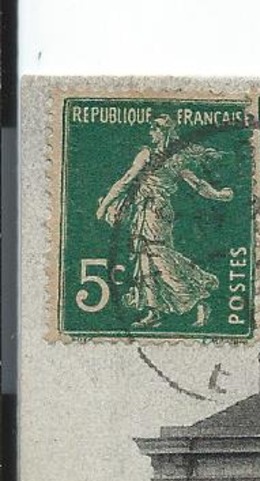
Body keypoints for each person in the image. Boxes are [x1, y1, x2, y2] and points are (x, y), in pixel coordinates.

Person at [96, 114, 235, 329]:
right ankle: (154, 312)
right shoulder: (176, 159)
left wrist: (104, 205)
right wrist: (218, 195)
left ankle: (197, 296)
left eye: (154, 130)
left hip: (153, 211)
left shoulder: (148, 155)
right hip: (152, 211)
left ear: (162, 132)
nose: (151, 133)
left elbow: (126, 181)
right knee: (146, 258)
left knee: (158, 256)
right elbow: (198, 184)